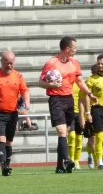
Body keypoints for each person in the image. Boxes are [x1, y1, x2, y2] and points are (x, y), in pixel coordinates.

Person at [39, 36, 97, 173]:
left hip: (68, 99)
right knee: (61, 131)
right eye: (74, 48)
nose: (75, 50)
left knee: (64, 135)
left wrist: (89, 94)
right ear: (67, 48)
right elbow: (40, 83)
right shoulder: (51, 63)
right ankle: (67, 160)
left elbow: (80, 82)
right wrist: (50, 84)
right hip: (56, 99)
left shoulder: (74, 63)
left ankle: (60, 167)